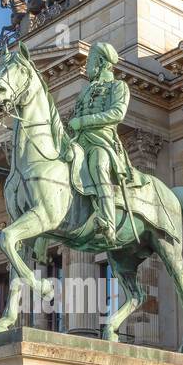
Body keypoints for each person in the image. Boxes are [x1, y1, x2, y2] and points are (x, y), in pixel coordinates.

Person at [68, 42, 132, 244]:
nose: (87, 66)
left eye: (90, 61)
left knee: (98, 165)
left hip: (101, 140)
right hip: (79, 141)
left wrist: (84, 122)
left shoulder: (118, 86)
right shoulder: (85, 91)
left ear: (102, 62)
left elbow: (117, 113)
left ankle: (108, 222)